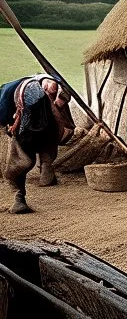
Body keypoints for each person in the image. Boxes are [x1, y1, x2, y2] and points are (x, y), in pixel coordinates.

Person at [1, 74, 76, 214]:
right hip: (32, 127)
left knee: (28, 155)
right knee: (25, 159)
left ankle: (23, 194)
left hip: (36, 128)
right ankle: (20, 197)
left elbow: (66, 122)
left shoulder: (52, 88)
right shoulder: (30, 92)